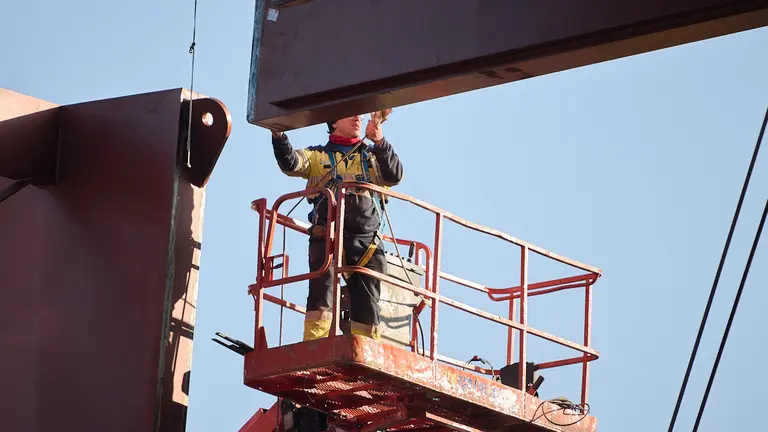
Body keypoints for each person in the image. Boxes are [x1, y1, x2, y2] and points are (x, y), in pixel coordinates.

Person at [270, 113, 404, 341]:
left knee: (366, 299)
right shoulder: (317, 156)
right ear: (333, 122)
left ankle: (365, 349)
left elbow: (394, 176)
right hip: (328, 236)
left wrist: (380, 142)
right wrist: (278, 134)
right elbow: (291, 163)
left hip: (366, 242)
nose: (358, 118)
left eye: (359, 114)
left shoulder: (372, 157)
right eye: (349, 114)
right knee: (322, 295)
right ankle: (315, 347)